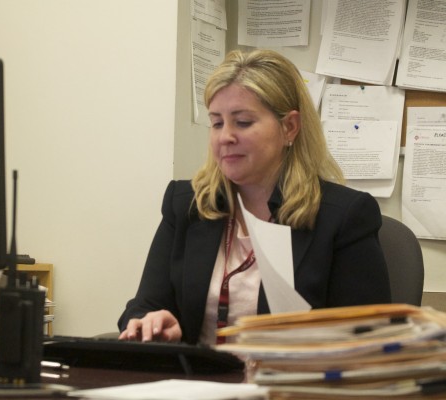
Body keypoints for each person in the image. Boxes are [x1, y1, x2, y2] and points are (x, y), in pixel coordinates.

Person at [117, 49, 391, 345]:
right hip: (196, 384)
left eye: (243, 122)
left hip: (290, 388)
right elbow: (144, 305)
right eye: (217, 123)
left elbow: (368, 339)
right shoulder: (187, 204)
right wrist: (151, 322)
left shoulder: (344, 217)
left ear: (290, 127)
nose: (225, 137)